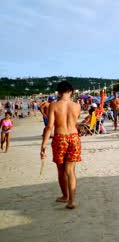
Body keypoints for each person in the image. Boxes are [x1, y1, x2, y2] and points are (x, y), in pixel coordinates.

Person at [40, 81, 81, 209]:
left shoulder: (53, 105)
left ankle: (65, 196)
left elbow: (49, 127)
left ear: (58, 92)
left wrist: (43, 146)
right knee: (70, 170)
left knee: (61, 170)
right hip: (74, 137)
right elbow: (75, 122)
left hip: (60, 138)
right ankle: (72, 201)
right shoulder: (77, 106)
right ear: (71, 92)